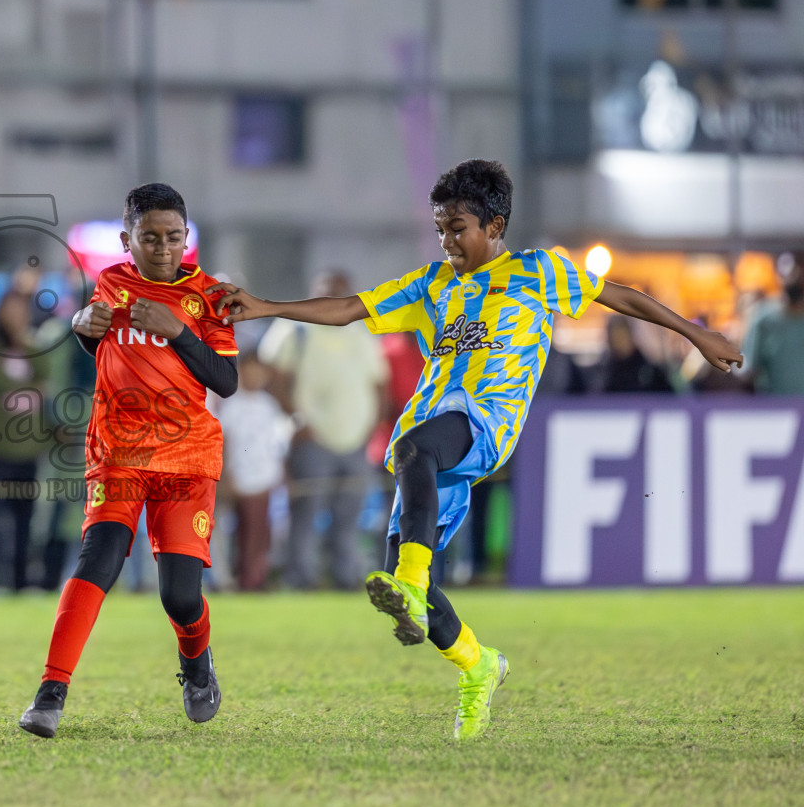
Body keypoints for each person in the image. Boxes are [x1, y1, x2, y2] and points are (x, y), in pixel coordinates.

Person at [209, 159, 740, 741]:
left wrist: (697, 333)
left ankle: (411, 586)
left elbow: (625, 300)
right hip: (436, 429)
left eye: (457, 228)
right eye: (440, 229)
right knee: (406, 568)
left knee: (410, 456)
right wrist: (267, 307)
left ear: (495, 225)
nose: (447, 241)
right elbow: (351, 308)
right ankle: (478, 665)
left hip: (486, 422)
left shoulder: (540, 272)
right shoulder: (432, 283)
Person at [18, 183, 238, 738]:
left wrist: (181, 331)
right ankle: (51, 692)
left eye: (173, 237)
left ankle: (196, 665)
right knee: (99, 560)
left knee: (180, 595)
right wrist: (80, 331)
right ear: (127, 240)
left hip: (187, 458)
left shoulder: (210, 296)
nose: (163, 248)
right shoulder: (112, 283)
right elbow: (111, 346)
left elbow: (226, 380)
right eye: (150, 238)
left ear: (186, 238)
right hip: (117, 450)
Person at [258, 270, 388, 590]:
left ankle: (344, 578)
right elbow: (273, 377)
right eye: (325, 292)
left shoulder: (361, 331)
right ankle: (300, 578)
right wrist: (295, 419)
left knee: (349, 515)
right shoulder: (294, 326)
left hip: (356, 439)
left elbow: (379, 384)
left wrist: (371, 426)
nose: (331, 299)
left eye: (338, 292)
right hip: (311, 437)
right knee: (306, 511)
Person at [0, 278, 53, 594]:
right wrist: (28, 391)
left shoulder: (33, 350)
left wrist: (26, 391)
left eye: (22, 311)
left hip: (29, 447)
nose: (17, 317)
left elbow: (47, 379)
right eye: (11, 310)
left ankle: (20, 580)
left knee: (25, 518)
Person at [213, 355, 288, 591]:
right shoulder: (231, 404)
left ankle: (256, 577)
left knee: (261, 532)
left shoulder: (269, 404)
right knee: (244, 531)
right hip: (241, 477)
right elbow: (224, 440)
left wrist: (281, 472)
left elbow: (277, 442)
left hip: (265, 477)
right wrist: (225, 474)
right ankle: (244, 578)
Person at [743, 259, 804, 395]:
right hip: (775, 406)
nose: (794, 279)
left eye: (798, 274)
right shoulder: (764, 318)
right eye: (788, 274)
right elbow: (749, 367)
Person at [597, 315, 673, 393]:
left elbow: (667, 396)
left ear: (630, 334)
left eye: (621, 335)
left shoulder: (647, 369)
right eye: (614, 336)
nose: (618, 341)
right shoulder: (605, 370)